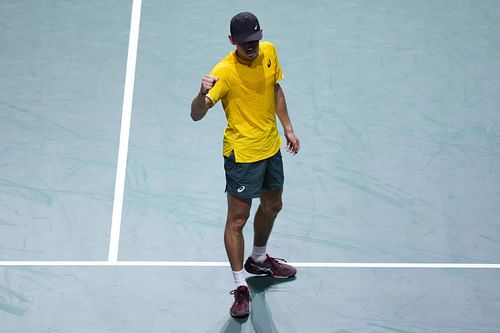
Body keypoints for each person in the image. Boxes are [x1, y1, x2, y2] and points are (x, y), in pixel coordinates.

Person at [190, 11, 300, 318]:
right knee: (237, 220)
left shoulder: (269, 52)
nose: (250, 47)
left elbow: (275, 89)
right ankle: (240, 286)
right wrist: (201, 94)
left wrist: (288, 128)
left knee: (273, 206)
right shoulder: (223, 72)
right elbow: (196, 114)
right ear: (231, 41)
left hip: (270, 149)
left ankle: (259, 259)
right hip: (241, 156)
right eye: (243, 42)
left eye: (254, 40)